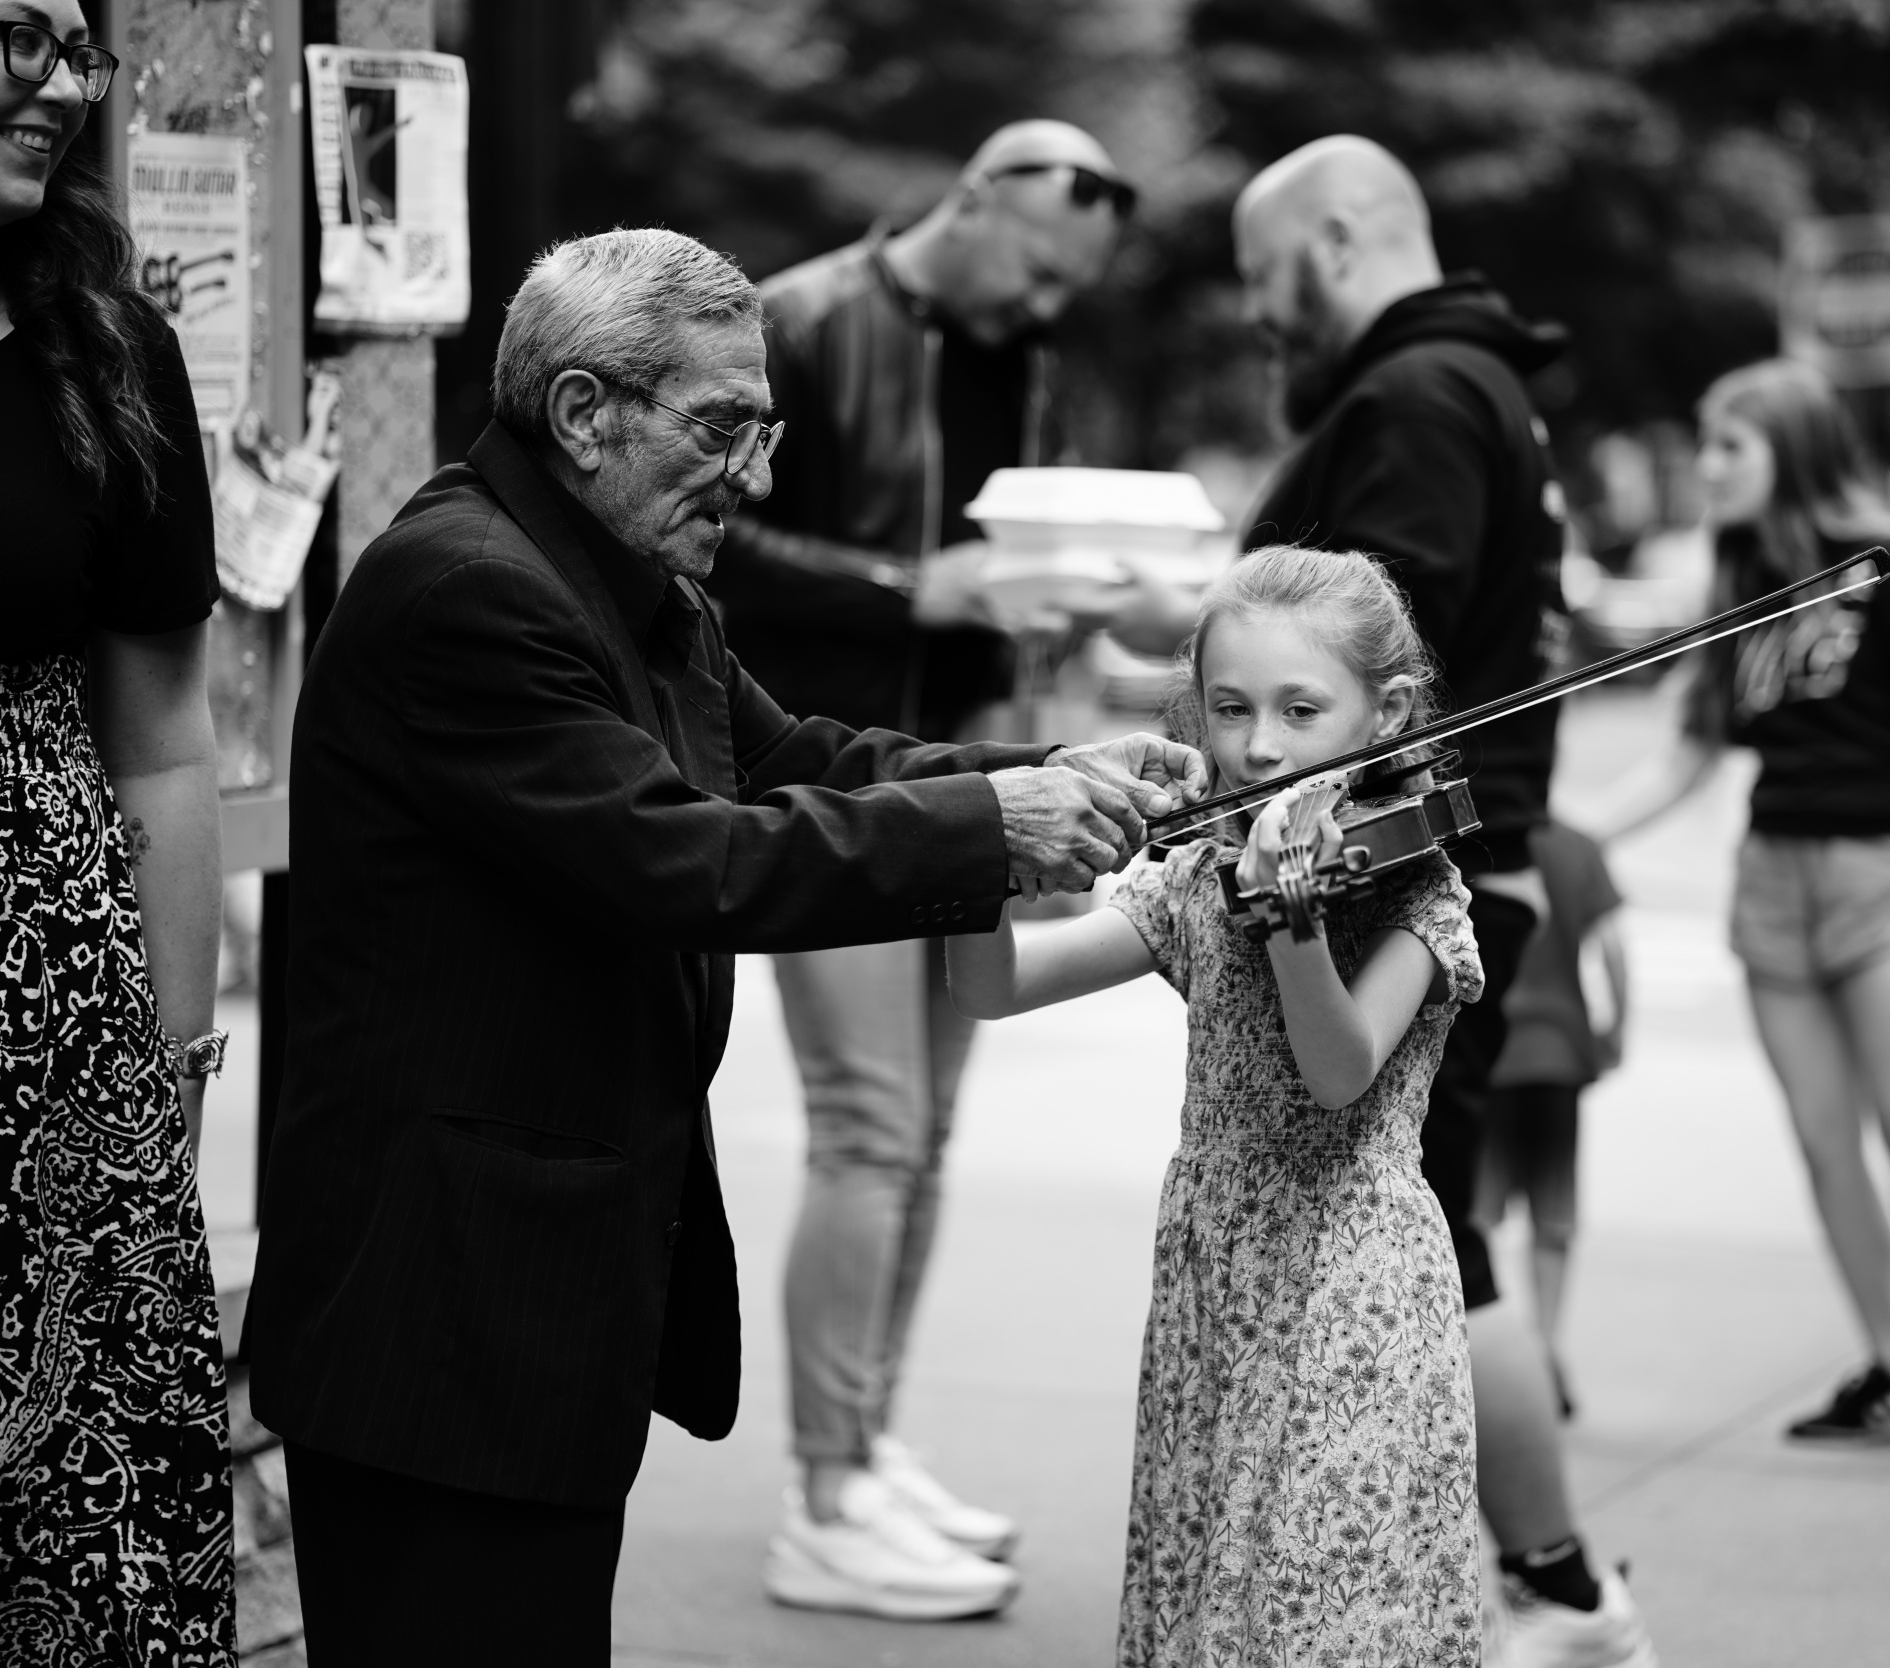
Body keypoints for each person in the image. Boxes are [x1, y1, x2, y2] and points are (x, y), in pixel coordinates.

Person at [246, 227, 1203, 1665]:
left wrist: (1060, 765)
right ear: (583, 413)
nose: (752, 474)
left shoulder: (632, 572)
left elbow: (798, 757)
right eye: (718, 428)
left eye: (762, 428)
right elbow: (679, 858)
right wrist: (992, 828)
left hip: (526, 1290)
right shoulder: (470, 588)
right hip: (435, 1305)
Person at [1231, 135, 1657, 1666]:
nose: (1256, 314)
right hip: (1458, 856)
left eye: (1262, 274)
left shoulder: (1415, 395)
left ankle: (1563, 1593)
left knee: (1427, 1237)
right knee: (1424, 1226)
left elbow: (1355, 665)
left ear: (1338, 241)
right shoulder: (1470, 383)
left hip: (1424, 875)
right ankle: (1526, 1585)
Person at [703, 118, 1136, 1614]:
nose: (1044, 307)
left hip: (973, 776)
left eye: (1069, 287)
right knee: (871, 1127)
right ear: (974, 201)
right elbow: (709, 548)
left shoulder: (1025, 355)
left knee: (929, 1135)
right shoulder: (805, 322)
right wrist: (911, 585)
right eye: (1036, 269)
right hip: (830, 776)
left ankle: (866, 1452)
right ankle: (822, 1493)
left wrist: (1068, 615)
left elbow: (1009, 558)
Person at [0, 4, 234, 1660]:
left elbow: (161, 746)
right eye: (22, 31)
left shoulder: (106, 350)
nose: (68, 80)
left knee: (58, 1548)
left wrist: (165, 1073)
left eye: (83, 43)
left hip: (35, 1070)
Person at [949, 546, 1485, 1666]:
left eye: (1301, 709)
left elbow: (1337, 1074)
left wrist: (1294, 923)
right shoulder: (1203, 872)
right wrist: (975, 850)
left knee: (1317, 1611)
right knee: (1206, 1601)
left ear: (1384, 712)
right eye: (1230, 708)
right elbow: (994, 987)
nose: (1259, 746)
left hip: (1355, 1287)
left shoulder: (1416, 890)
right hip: (1216, 1275)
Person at [1590, 358, 1890, 1493]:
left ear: (1790, 443)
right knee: (1825, 1139)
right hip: (1774, 879)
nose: (1708, 463)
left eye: (1729, 444)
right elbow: (1689, 753)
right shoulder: (1736, 574)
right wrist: (1572, 830)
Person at [1476, 820, 1629, 1418]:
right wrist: (1618, 1024)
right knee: (1553, 1217)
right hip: (1558, 1053)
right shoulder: (1578, 846)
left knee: (1477, 1213)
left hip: (1490, 1055)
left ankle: (1491, 1349)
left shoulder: (1482, 839)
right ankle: (1546, 1350)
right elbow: (1613, 945)